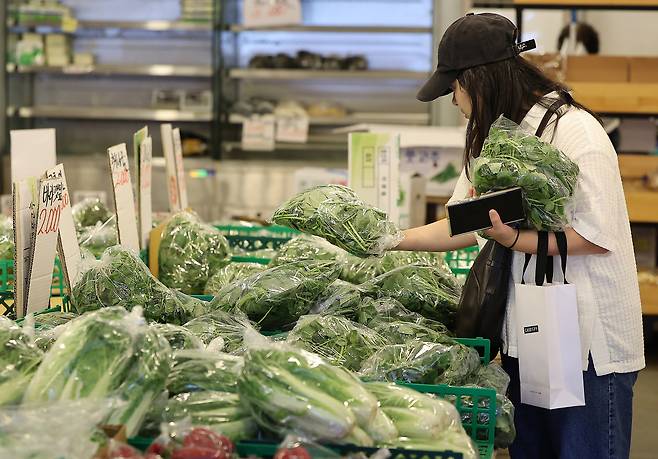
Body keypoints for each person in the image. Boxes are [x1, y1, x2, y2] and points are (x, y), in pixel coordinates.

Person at [396, 12, 645, 459]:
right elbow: (462, 219)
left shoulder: (574, 131)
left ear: (479, 79)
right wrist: (390, 239)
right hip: (528, 335)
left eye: (454, 86)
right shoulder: (493, 136)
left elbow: (597, 235)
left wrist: (512, 240)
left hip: (589, 346)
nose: (453, 99)